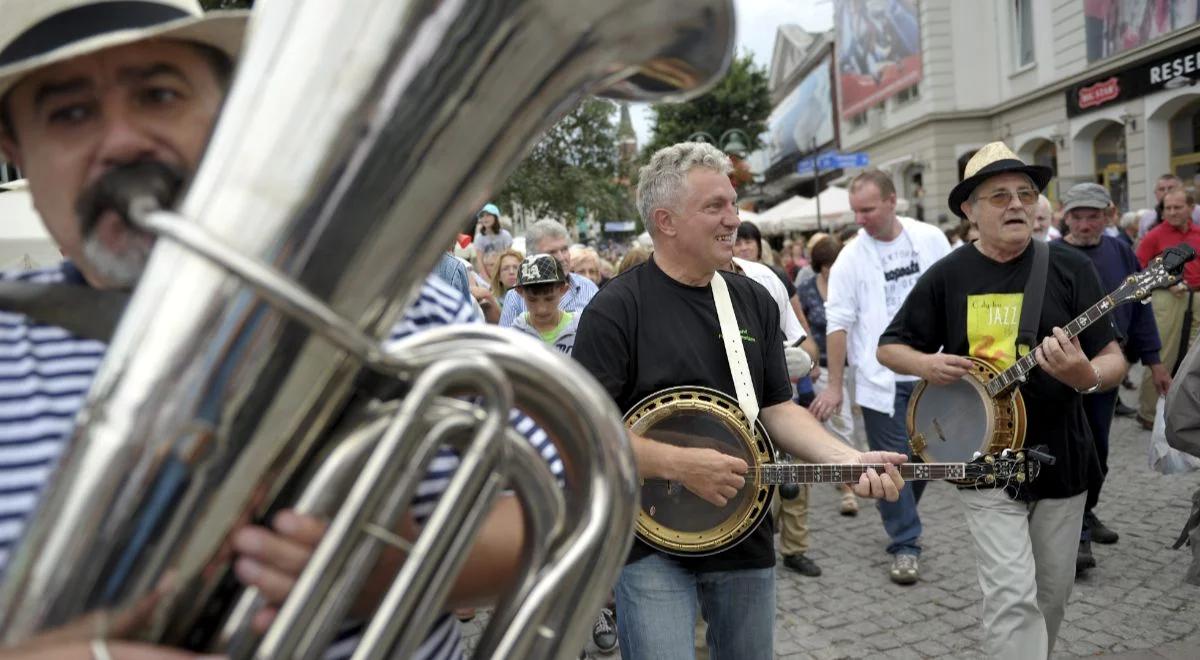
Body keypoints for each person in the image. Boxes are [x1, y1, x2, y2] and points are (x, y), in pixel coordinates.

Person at [0, 2, 556, 657]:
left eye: (159, 94)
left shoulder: (394, 310)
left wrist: (399, 569)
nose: (121, 141)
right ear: (16, 151)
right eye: (69, 113)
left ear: (229, 118)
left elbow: (551, 509)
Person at [572, 141, 906, 660]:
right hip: (649, 540)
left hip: (744, 532)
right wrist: (679, 464)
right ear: (666, 221)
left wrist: (847, 459)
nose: (735, 218)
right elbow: (583, 434)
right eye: (715, 207)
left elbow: (775, 407)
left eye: (733, 202)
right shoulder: (616, 309)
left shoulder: (750, 296)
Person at [877, 142, 1126, 659]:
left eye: (1026, 194)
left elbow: (1113, 359)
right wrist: (925, 364)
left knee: (1050, 597)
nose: (1017, 205)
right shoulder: (949, 274)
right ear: (969, 210)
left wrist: (1085, 375)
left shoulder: (1068, 268)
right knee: (1012, 596)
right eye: (999, 197)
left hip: (1062, 458)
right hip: (984, 460)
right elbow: (889, 347)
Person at [808, 169, 951, 585]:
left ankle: (899, 509)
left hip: (933, 373)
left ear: (892, 201)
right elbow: (839, 323)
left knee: (926, 460)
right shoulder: (850, 257)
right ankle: (906, 542)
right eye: (856, 211)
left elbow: (953, 298)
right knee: (891, 465)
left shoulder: (930, 240)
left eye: (868, 209)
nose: (861, 218)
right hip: (878, 382)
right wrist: (836, 385)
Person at [1055, 183, 1167, 573]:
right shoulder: (1052, 256)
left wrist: (1153, 361)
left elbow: (1142, 310)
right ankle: (1076, 530)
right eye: (1077, 216)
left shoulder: (1121, 252)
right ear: (1064, 216)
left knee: (1098, 450)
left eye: (1093, 216)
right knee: (1074, 450)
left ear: (1108, 214)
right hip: (1061, 374)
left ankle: (1088, 512)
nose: (1085, 224)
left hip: (1107, 370)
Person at [796, 236, 859, 518]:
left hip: (855, 366)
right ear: (822, 267)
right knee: (840, 422)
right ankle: (847, 487)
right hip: (823, 367)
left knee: (848, 421)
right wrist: (809, 362)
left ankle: (844, 470)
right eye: (832, 264)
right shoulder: (807, 290)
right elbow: (802, 330)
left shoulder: (850, 286)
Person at [1135, 189, 1200, 430]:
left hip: (1197, 297)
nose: (1171, 212)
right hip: (1168, 299)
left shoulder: (1198, 233)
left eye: (1177, 207)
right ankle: (1148, 413)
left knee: (1194, 359)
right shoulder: (1154, 236)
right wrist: (1166, 282)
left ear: (1190, 208)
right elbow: (1137, 271)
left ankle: (1187, 410)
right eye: (1167, 208)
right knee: (1163, 354)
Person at [498, 219, 597, 326]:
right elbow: (506, 340)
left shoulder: (589, 288)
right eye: (552, 252)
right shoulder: (515, 296)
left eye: (564, 249)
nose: (561, 258)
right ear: (532, 257)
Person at [510, 253, 579, 354]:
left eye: (549, 299)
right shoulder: (515, 335)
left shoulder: (579, 330)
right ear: (519, 291)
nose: (541, 309)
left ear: (563, 290)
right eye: (532, 300)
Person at [1138, 174, 1200, 238]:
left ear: (1181, 190)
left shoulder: (1197, 211)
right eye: (1161, 189)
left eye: (1171, 188)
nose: (1166, 192)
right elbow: (1141, 243)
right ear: (1155, 193)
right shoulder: (1146, 217)